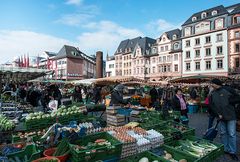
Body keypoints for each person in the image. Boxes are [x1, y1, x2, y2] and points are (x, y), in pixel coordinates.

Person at [209, 78, 238, 161]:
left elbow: (237, 97)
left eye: (212, 84)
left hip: (230, 116)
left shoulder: (228, 89)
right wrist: (217, 114)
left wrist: (229, 101)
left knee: (232, 134)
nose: (211, 85)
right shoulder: (213, 93)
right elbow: (212, 105)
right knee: (223, 133)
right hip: (221, 117)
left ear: (216, 84)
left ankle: (232, 152)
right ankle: (225, 149)